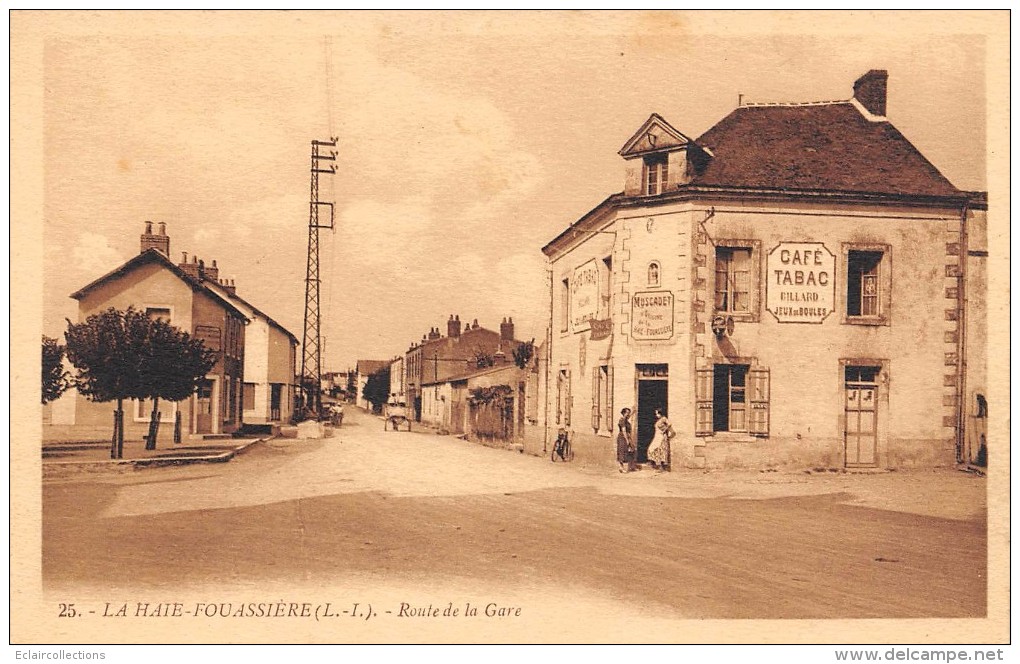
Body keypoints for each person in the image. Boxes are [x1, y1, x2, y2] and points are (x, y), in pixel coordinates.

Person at [616, 408, 635, 473]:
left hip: (627, 436)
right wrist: (627, 439)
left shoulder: (626, 420)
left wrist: (633, 412)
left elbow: (629, 417)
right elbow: (624, 430)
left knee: (630, 450)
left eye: (629, 413)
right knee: (622, 451)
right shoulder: (622, 420)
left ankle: (630, 467)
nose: (628, 414)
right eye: (627, 413)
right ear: (624, 413)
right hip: (622, 437)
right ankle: (621, 467)